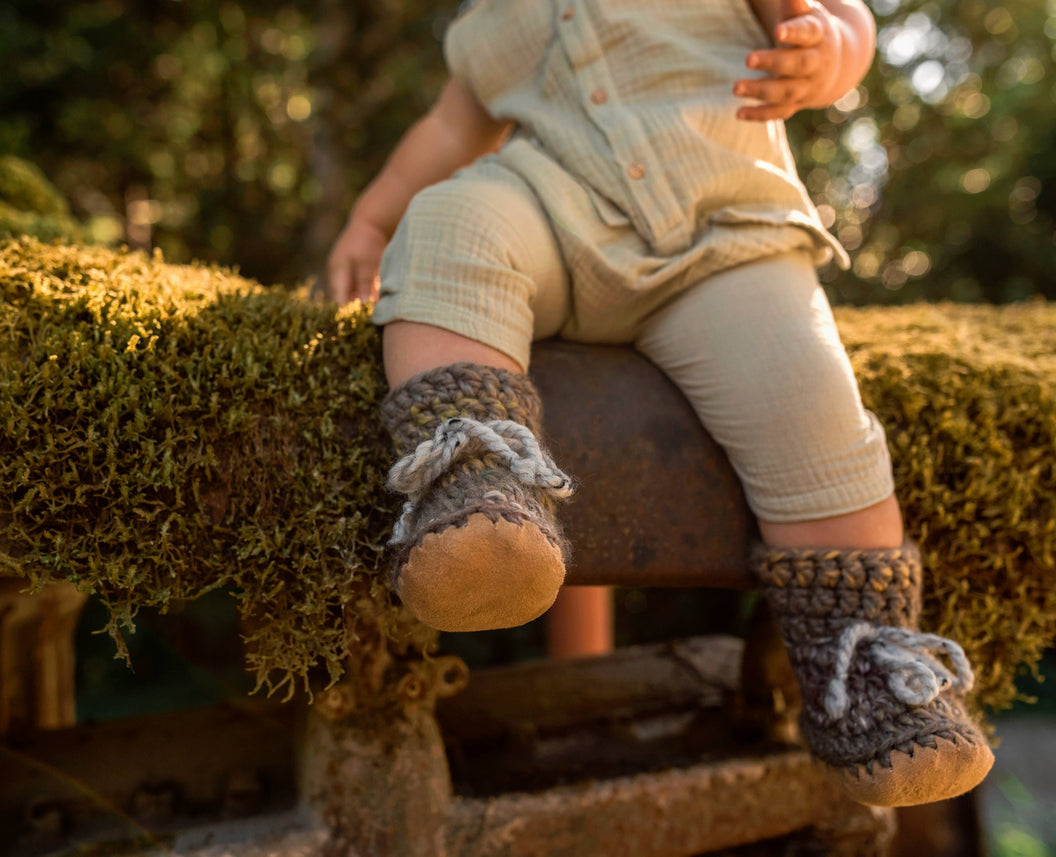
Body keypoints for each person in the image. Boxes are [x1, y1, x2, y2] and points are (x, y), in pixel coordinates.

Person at [326, 0, 993, 806]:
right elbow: (447, 131)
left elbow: (840, 17)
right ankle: (474, 486)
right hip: (553, 219)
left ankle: (868, 661)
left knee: (808, 401)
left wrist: (831, 53)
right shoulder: (494, 20)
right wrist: (371, 219)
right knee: (448, 225)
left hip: (729, 237)